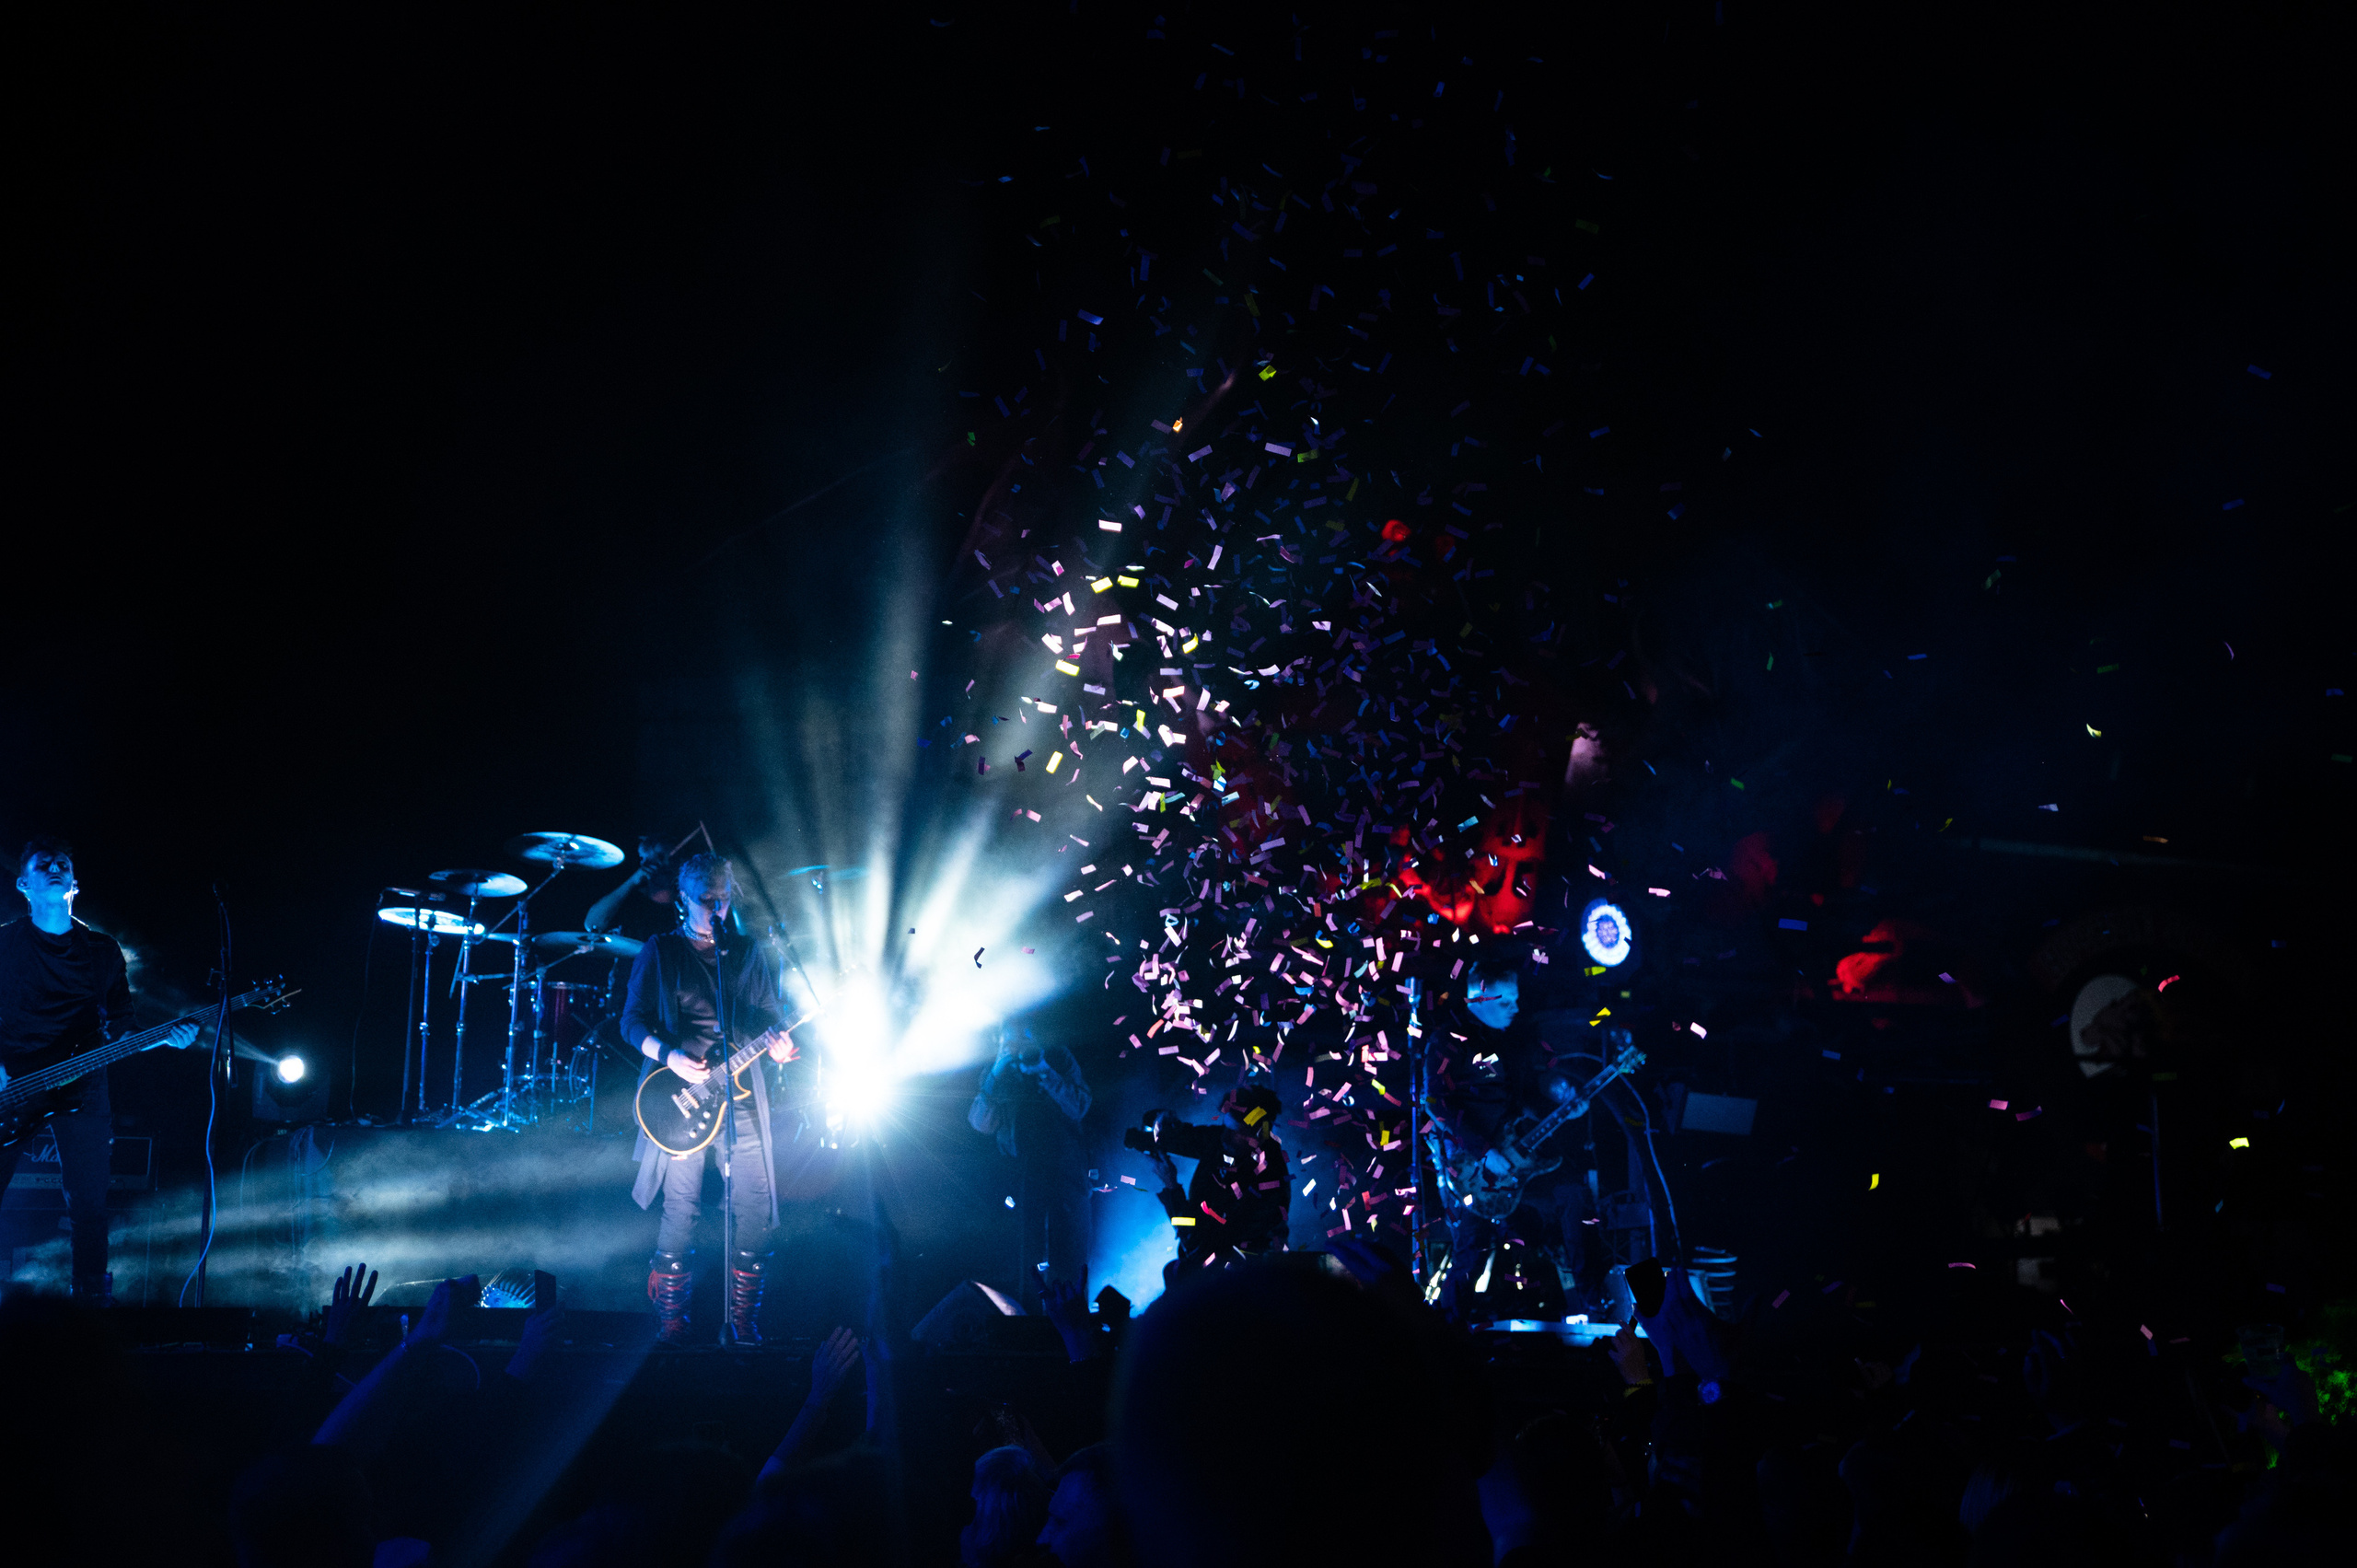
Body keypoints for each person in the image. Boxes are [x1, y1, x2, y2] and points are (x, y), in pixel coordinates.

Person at [0, 837, 196, 1303]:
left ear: (74, 884)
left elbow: (124, 1027)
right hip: (12, 1081)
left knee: (88, 1203)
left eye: (62, 864)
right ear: (24, 884)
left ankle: (89, 1301)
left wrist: (166, 1037)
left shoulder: (101, 951)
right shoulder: (5, 943)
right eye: (43, 864)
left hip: (82, 1084)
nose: (55, 867)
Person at [620, 853, 797, 1344]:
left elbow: (768, 1013)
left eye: (724, 900)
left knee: (756, 1209)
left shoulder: (745, 952)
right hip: (683, 1094)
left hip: (739, 1095)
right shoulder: (662, 951)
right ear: (684, 899)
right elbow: (630, 1021)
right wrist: (669, 1055)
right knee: (681, 1207)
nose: (716, 910)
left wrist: (778, 1043)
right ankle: (671, 1324)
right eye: (706, 900)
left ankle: (743, 1323)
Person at [970, 1019, 1093, 1300]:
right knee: (1027, 1258)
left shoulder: (1058, 1058)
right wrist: (998, 1071)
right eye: (1008, 1044)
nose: (1017, 1049)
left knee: (1070, 1255)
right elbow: (980, 1123)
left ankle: (1072, 1324)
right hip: (1022, 1178)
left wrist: (1045, 1072)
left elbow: (1080, 1107)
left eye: (1023, 1041)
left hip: (1066, 1175)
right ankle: (1028, 1322)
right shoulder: (996, 1075)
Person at [1136, 1084, 1289, 1283]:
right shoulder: (1226, 1140)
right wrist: (1161, 1127)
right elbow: (1183, 1139)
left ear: (1258, 1136)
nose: (1224, 1136)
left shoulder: (1268, 1186)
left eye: (1235, 1131)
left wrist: (1172, 1187)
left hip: (1234, 1280)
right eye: (1226, 1126)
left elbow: (1195, 1240)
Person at [582, 833, 681, 942]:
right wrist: (631, 882)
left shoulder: (685, 904)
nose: (648, 863)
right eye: (643, 858)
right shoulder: (630, 899)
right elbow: (592, 924)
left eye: (661, 857)